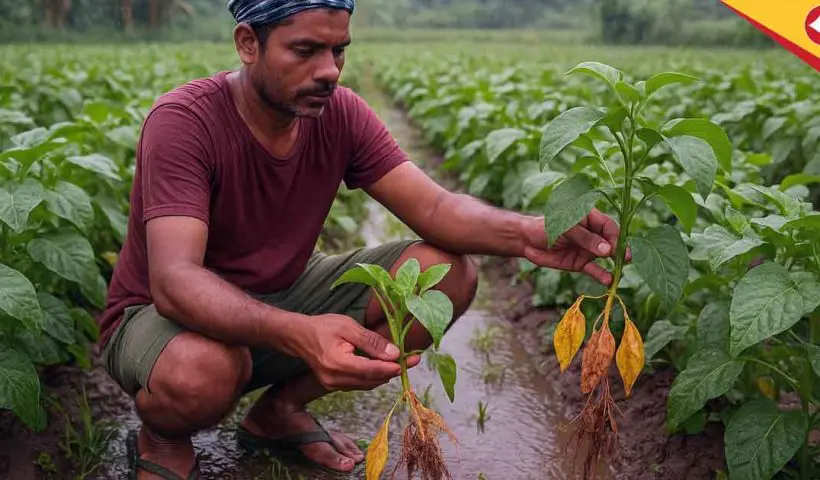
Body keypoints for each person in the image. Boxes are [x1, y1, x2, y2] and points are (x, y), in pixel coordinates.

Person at [97, 1, 625, 478]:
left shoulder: (340, 114)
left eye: (338, 50)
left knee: (446, 275)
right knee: (205, 371)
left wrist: (532, 232)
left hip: (278, 292)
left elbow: (435, 208)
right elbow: (175, 281)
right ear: (248, 43)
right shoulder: (185, 121)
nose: (329, 69)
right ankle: (163, 438)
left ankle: (278, 411)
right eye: (305, 50)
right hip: (161, 317)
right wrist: (301, 332)